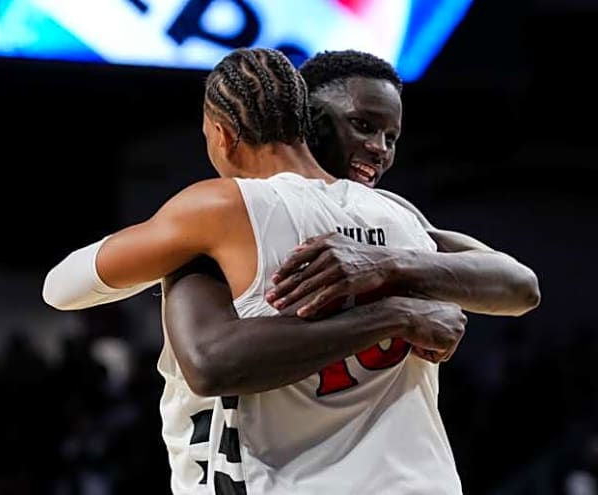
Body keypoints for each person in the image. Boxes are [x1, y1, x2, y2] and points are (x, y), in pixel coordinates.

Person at [43, 47, 475, 494]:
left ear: (222, 135)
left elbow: (61, 287)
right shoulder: (402, 219)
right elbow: (517, 284)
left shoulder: (222, 208)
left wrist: (171, 249)